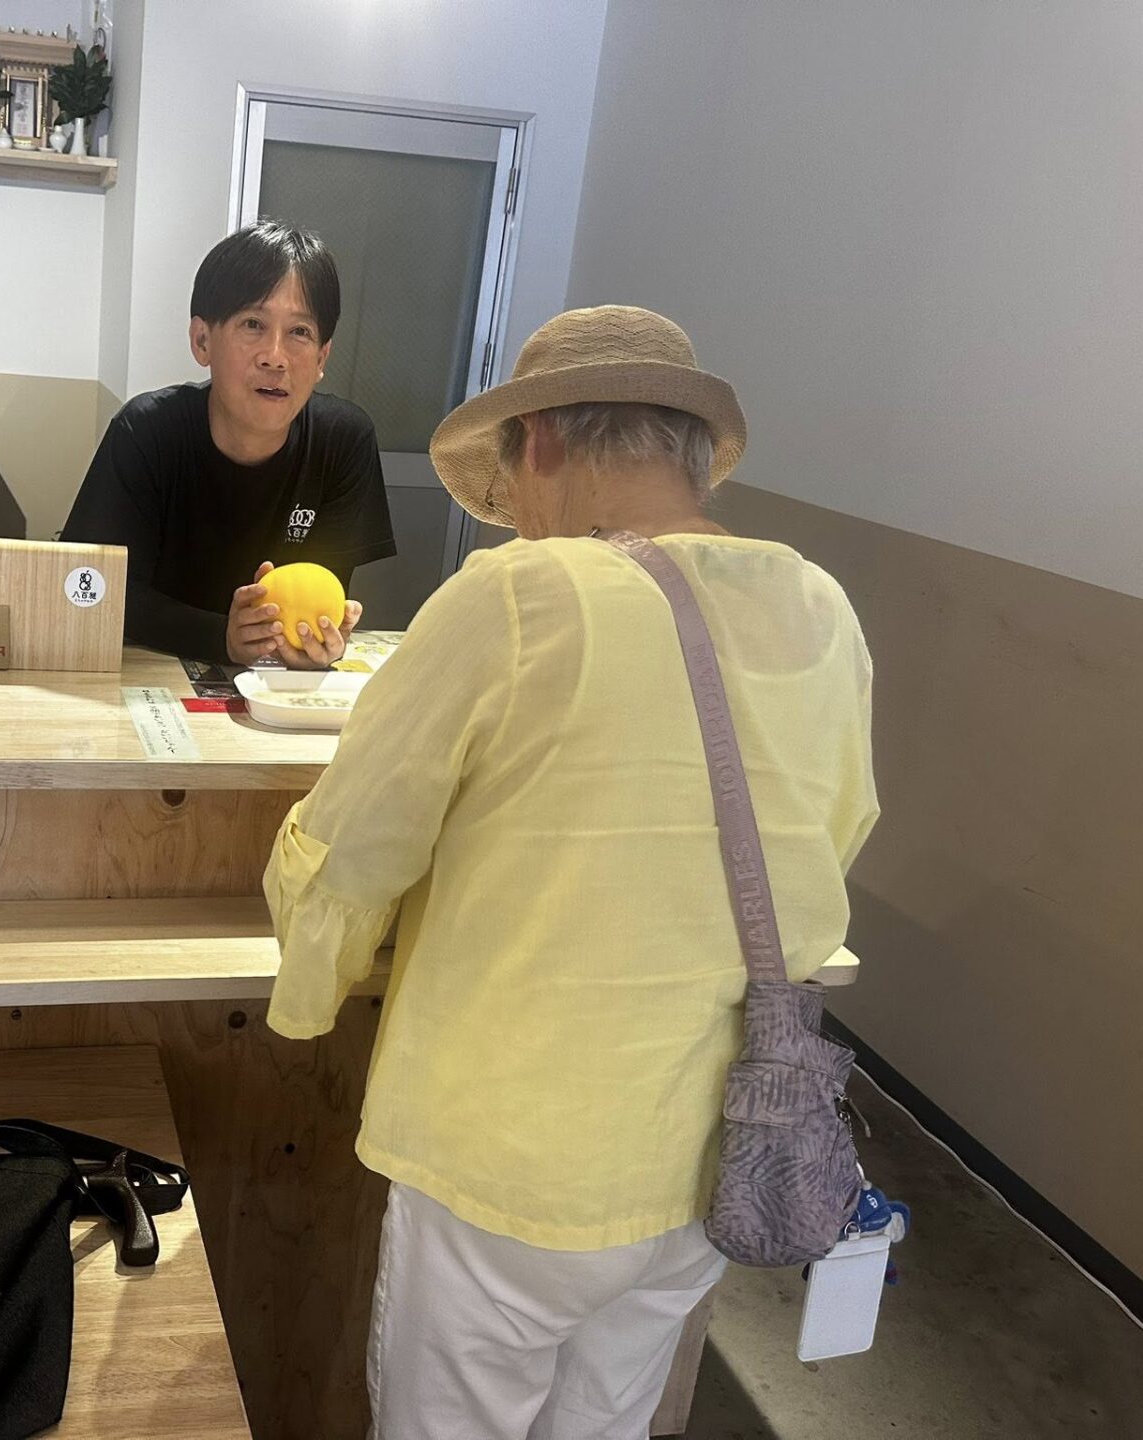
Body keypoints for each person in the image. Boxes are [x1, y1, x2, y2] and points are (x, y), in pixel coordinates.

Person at [263, 306, 879, 1438]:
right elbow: (836, 831)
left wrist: (311, 987)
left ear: (541, 440)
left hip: (512, 1156)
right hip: (709, 1148)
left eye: (512, 484)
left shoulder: (516, 596)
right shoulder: (820, 606)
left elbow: (354, 847)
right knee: (606, 1422)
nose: (519, 515)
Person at [62, 221, 396, 666]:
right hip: (151, 668)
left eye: (299, 332)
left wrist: (315, 639)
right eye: (253, 324)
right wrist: (220, 636)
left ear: (321, 357)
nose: (275, 356)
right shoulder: (146, 431)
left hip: (267, 687)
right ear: (202, 340)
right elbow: (92, 587)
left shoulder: (344, 441)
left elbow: (326, 589)